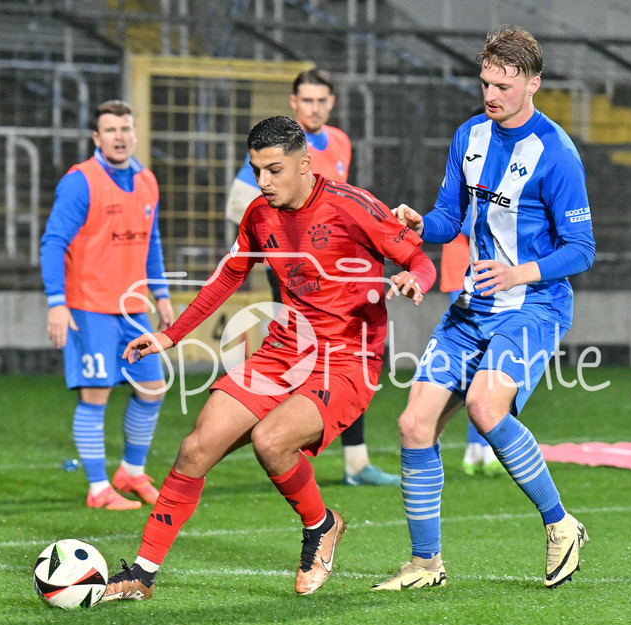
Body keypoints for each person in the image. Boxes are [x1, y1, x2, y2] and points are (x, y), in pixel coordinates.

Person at [102, 115, 435, 599]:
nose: (263, 182)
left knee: (271, 440)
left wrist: (415, 282)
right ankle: (141, 575)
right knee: (195, 449)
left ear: (304, 163)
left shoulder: (354, 206)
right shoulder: (260, 214)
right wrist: (170, 336)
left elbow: (420, 260)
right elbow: (225, 278)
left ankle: (320, 525)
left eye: (274, 170)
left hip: (347, 359)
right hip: (284, 350)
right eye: (257, 170)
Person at [375, 25, 595, 590]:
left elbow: (582, 250)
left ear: (533, 83)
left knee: (485, 407)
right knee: (413, 423)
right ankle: (426, 564)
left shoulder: (557, 154)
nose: (490, 94)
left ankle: (561, 525)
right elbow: (452, 218)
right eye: (485, 83)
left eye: (502, 84)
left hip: (533, 308)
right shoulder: (469, 136)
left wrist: (518, 272)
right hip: (472, 309)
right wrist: (422, 225)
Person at [225, 68, 398, 488]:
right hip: (293, 276)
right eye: (307, 100)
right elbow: (239, 202)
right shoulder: (275, 145)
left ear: (331, 103)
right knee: (306, 358)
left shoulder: (339, 142)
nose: (314, 108)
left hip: (337, 275)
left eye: (322, 100)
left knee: (352, 357)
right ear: (293, 103)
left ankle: (353, 461)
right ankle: (277, 439)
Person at [40, 99, 175, 510]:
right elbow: (53, 243)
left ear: (135, 134)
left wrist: (162, 294)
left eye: (126, 129)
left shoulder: (147, 181)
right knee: (96, 393)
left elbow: (151, 242)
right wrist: (56, 303)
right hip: (89, 309)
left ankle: (130, 473)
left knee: (152, 388)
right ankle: (98, 488)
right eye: (111, 130)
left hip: (133, 310)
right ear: (97, 138)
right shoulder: (81, 182)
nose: (120, 136)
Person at [440, 225, 504, 477]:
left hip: (467, 272)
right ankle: (485, 447)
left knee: (475, 364)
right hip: (474, 274)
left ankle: (476, 448)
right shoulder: (475, 184)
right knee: (486, 364)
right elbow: (473, 221)